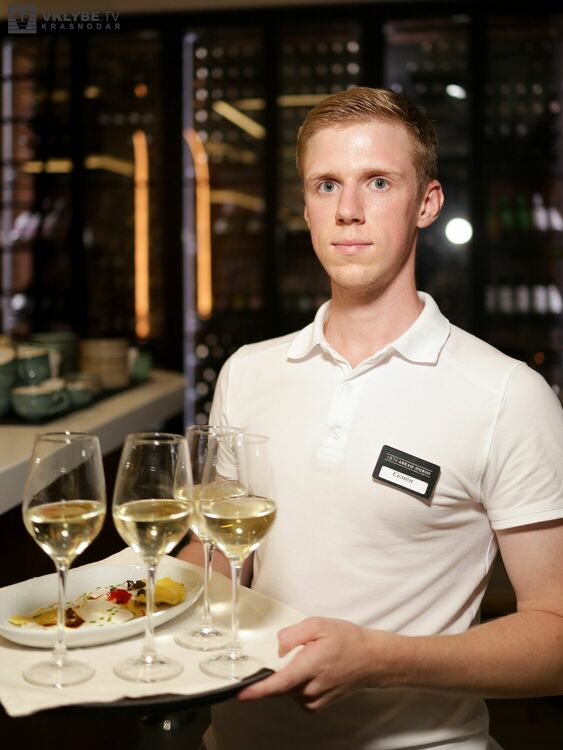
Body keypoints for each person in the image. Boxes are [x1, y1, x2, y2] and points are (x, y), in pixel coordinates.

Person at [178, 87, 563, 750]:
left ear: (426, 204)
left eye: (377, 182)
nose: (347, 210)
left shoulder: (507, 395)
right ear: (306, 206)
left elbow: (555, 636)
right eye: (326, 185)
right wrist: (136, 590)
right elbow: (223, 556)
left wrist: (383, 660)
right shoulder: (248, 370)